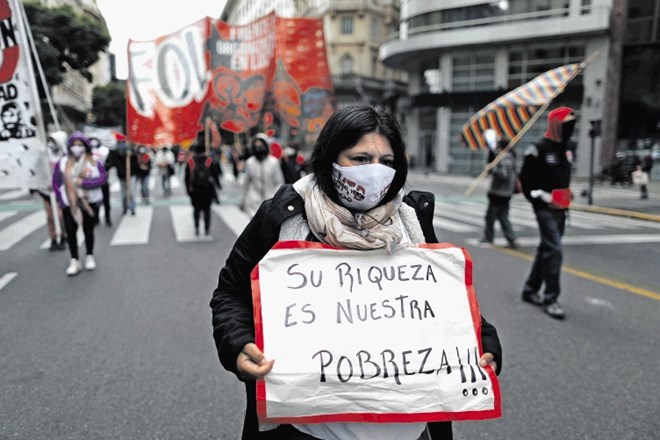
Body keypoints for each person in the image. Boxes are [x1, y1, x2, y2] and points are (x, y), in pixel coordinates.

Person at [210, 105, 502, 440]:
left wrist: (483, 342)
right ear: (330, 158)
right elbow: (230, 293)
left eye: (387, 162)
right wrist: (238, 343)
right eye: (360, 159)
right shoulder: (283, 218)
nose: (375, 173)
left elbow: (448, 307)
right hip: (307, 430)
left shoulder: (411, 222)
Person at [519, 107, 576, 319]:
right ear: (555, 125)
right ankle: (550, 298)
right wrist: (539, 196)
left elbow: (563, 177)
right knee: (555, 250)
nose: (570, 128)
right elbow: (526, 180)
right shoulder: (538, 148)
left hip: (562, 207)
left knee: (547, 249)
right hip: (544, 208)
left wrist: (567, 195)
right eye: (566, 124)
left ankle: (530, 289)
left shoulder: (568, 147)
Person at [52, 131, 107, 276]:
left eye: (80, 144)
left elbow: (102, 179)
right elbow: (56, 182)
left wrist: (84, 183)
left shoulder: (95, 161)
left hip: (89, 202)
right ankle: (74, 260)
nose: (77, 147)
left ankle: (89, 255)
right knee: (71, 231)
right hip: (69, 203)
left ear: (85, 146)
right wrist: (60, 199)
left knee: (88, 230)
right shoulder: (62, 163)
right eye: (74, 145)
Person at [31, 131, 68, 251]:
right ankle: (53, 238)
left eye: (54, 141)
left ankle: (63, 235)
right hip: (46, 191)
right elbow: (36, 169)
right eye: (50, 140)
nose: (52, 143)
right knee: (50, 216)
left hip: (59, 190)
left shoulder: (65, 156)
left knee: (60, 215)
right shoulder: (44, 153)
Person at [479, 137, 519, 249]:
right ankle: (511, 239)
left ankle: (488, 238)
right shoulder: (506, 156)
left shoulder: (505, 157)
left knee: (490, 217)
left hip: (499, 192)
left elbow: (504, 175)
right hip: (505, 192)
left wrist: (492, 169)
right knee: (503, 217)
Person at [185, 133, 221, 236]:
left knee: (196, 209)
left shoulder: (191, 162)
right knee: (207, 210)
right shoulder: (209, 161)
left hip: (195, 189)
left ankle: (196, 227)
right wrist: (218, 186)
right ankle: (206, 228)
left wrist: (188, 189)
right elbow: (215, 174)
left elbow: (187, 177)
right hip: (207, 189)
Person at [240, 133, 284, 216]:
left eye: (261, 146)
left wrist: (276, 199)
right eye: (256, 147)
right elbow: (246, 183)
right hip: (253, 203)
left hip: (270, 202)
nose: (259, 149)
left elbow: (279, 182)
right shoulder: (250, 162)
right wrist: (242, 200)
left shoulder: (273, 162)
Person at [105, 133, 137, 216]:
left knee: (131, 192)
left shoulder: (131, 150)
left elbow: (135, 162)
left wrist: (131, 155)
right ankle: (125, 208)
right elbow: (110, 163)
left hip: (131, 175)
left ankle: (132, 208)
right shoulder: (114, 152)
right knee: (123, 194)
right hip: (121, 175)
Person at [90, 137, 113, 226]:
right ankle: (96, 218)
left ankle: (108, 217)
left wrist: (103, 168)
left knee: (106, 199)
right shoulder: (88, 151)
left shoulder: (105, 150)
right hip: (93, 180)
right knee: (95, 200)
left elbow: (111, 162)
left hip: (104, 179)